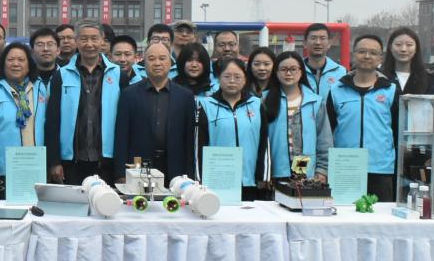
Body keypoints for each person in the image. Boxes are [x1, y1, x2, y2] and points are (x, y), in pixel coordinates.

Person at [46, 21, 121, 184]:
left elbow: (125, 123)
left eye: (94, 38)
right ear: (76, 41)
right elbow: (52, 122)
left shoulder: (118, 74)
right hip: (71, 162)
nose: (89, 44)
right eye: (84, 39)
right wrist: (54, 161)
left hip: (107, 161)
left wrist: (121, 164)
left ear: (102, 41)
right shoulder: (61, 75)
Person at [327, 34, 400, 199]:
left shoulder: (391, 90)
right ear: (353, 54)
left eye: (373, 53)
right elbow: (328, 131)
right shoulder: (337, 90)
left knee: (380, 213)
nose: (367, 56)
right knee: (344, 212)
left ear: (380, 58)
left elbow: (397, 130)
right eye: (361, 51)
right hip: (345, 166)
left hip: (380, 168)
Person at [113, 42, 197, 181]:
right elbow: (121, 136)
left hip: (175, 168)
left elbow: (189, 140)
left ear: (170, 62)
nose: (157, 63)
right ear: (143, 63)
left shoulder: (185, 96)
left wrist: (190, 174)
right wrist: (121, 173)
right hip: (138, 167)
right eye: (151, 59)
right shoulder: (129, 94)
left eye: (162, 58)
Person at [0, 42, 46, 188]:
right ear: (3, 64)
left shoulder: (40, 88)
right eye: (10, 60)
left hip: (36, 166)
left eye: (21, 60)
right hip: (4, 168)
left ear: (29, 65)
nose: (16, 64)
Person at [261, 51, 332, 182]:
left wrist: (322, 170)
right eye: (283, 69)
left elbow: (324, 140)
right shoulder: (263, 100)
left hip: (305, 173)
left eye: (293, 69)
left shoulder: (315, 102)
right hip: (273, 172)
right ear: (276, 72)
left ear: (301, 72)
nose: (288, 73)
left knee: (300, 190)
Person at [200, 58, 265, 197]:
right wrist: (199, 177)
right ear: (218, 79)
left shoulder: (256, 104)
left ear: (245, 79)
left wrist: (262, 175)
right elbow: (199, 145)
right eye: (227, 76)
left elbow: (264, 143)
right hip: (217, 180)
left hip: (248, 179)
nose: (232, 81)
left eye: (237, 77)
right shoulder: (206, 105)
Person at [382, 26, 432, 95]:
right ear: (390, 48)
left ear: (416, 48)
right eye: (398, 44)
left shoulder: (429, 80)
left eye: (409, 45)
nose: (403, 49)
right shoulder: (380, 78)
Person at [303, 23, 346, 98]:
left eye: (322, 38)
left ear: (329, 43)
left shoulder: (341, 72)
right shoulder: (296, 70)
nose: (318, 42)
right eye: (313, 38)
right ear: (305, 43)